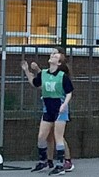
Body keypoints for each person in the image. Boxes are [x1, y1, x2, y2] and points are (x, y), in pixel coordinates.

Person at [21, 47, 73, 176]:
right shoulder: (44, 73)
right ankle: (43, 161)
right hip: (48, 109)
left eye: (55, 56)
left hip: (59, 109)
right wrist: (27, 70)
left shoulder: (62, 76)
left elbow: (69, 92)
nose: (52, 56)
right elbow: (35, 83)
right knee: (41, 137)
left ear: (59, 63)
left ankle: (61, 165)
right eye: (52, 55)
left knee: (58, 137)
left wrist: (64, 105)